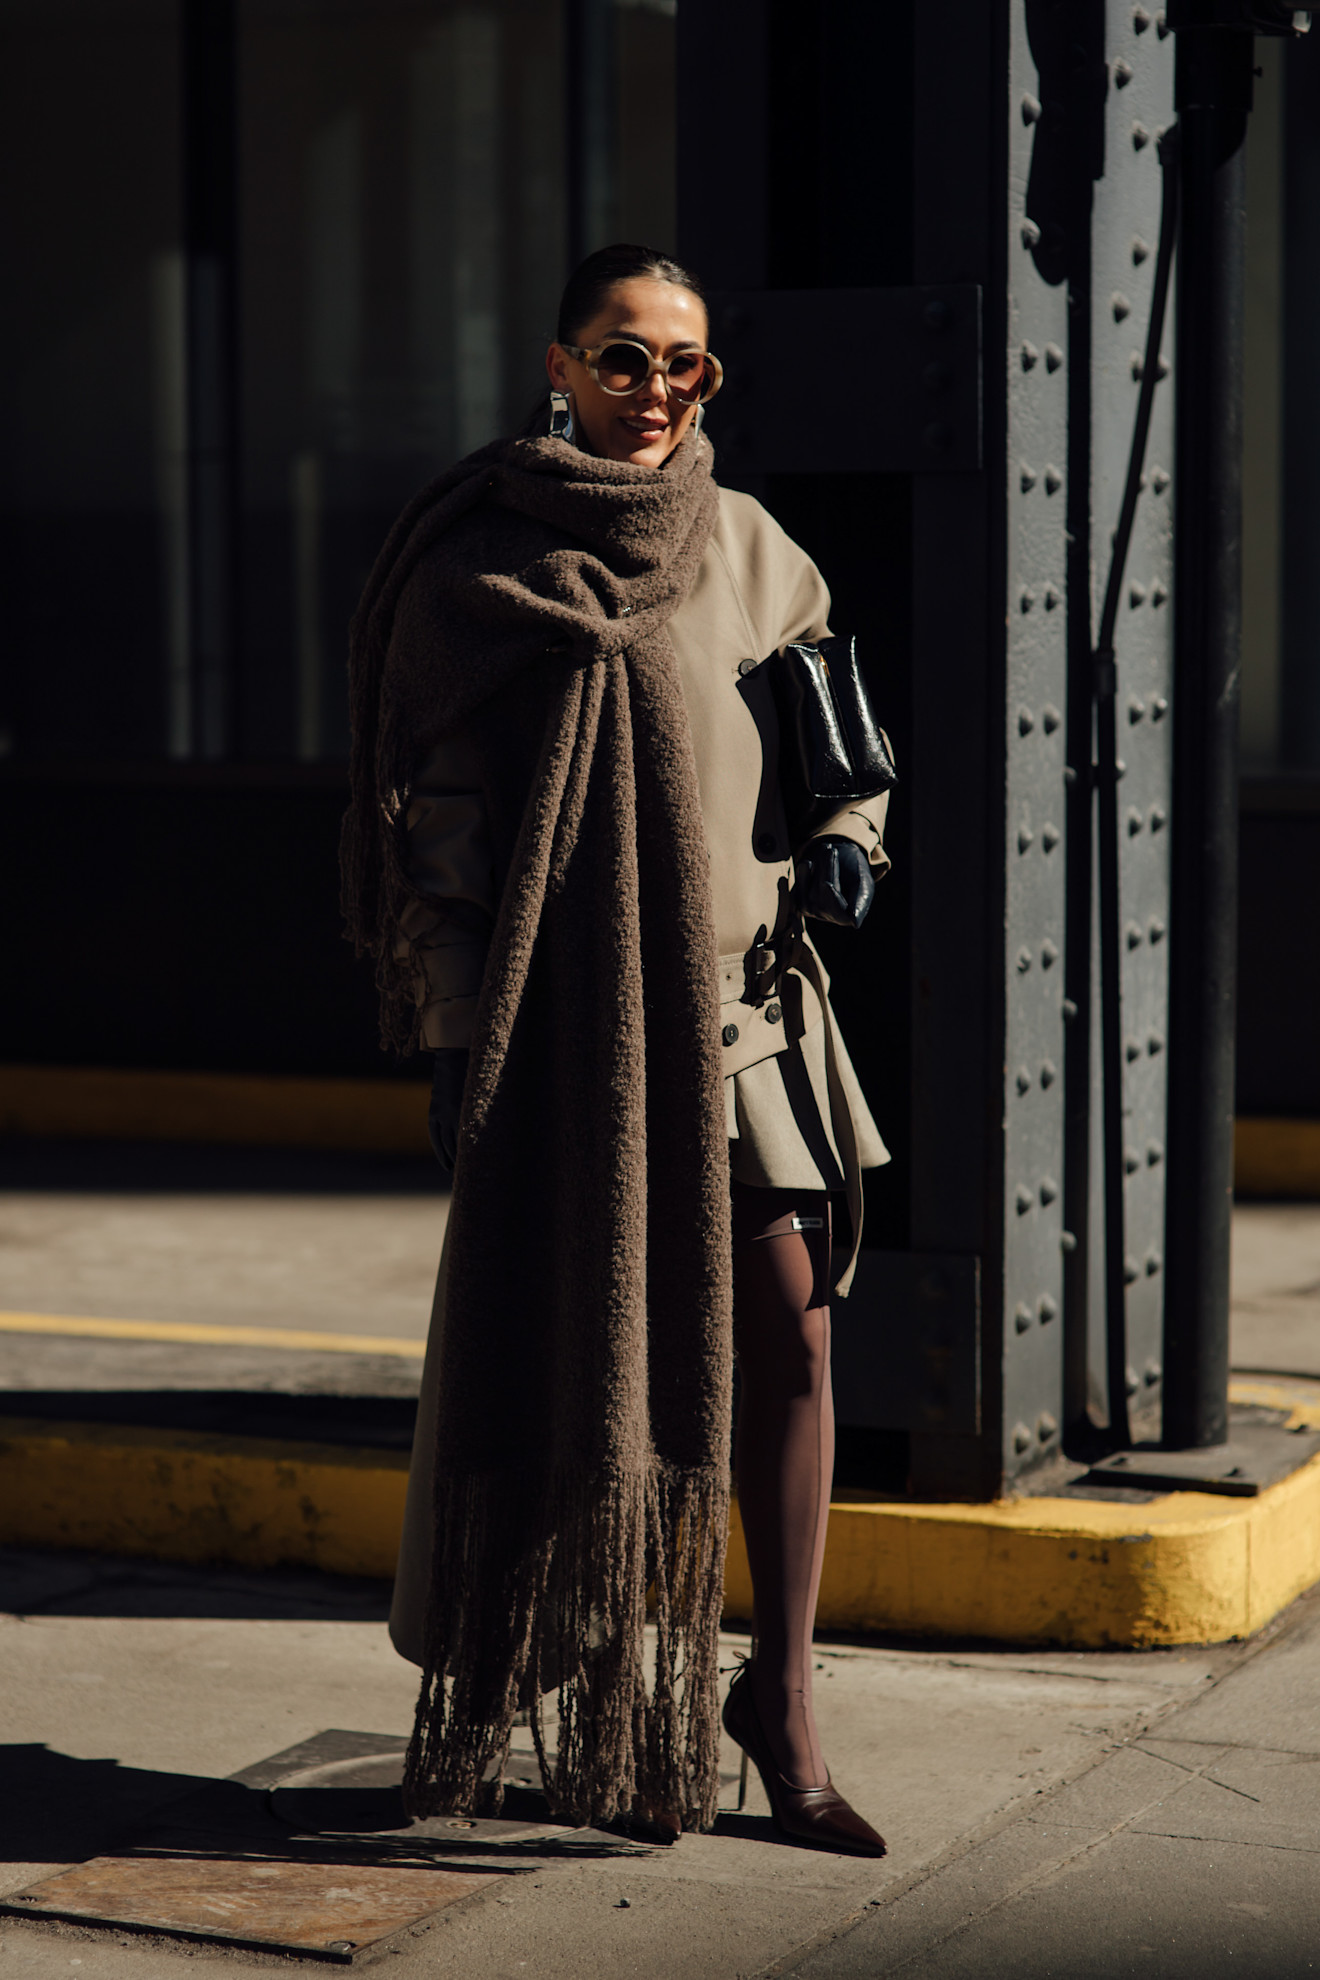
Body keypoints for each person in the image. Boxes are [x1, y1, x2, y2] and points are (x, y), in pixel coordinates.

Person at [342, 243, 891, 1855]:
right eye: (627, 357)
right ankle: (544, 1680)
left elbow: (837, 742)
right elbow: (431, 826)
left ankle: (776, 1707)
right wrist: (456, 1037)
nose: (660, 391)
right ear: (561, 365)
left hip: (740, 1016)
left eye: (688, 365)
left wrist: (852, 836)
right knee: (563, 1361)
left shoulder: (746, 546)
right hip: (565, 1027)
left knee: (791, 1339)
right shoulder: (481, 560)